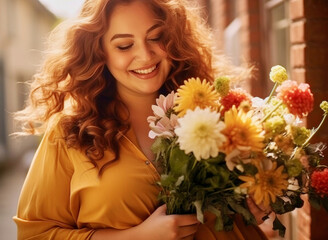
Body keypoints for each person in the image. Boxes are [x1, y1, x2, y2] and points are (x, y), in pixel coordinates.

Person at [13, 0, 269, 239]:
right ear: (100, 52)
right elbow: (35, 234)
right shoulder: (70, 132)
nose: (146, 56)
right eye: (124, 45)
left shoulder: (214, 113)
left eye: (156, 37)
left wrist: (254, 205)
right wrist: (136, 236)